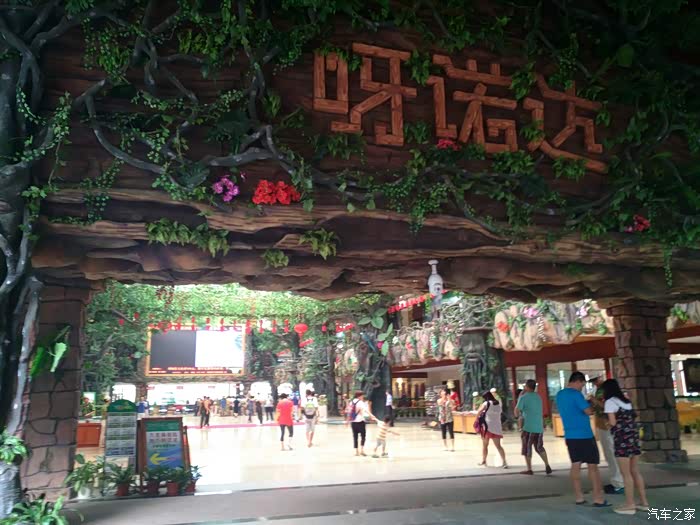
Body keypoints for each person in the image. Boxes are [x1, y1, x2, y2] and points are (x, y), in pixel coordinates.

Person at [556, 371, 609, 507]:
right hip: (584, 435)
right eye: (582, 385)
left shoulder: (560, 394)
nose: (582, 388)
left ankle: (579, 497)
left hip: (570, 435)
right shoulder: (576, 394)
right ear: (577, 381)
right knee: (593, 467)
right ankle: (598, 498)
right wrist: (592, 403)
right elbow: (588, 411)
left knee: (575, 465)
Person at [602, 379, 649, 515]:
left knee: (626, 474)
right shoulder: (626, 401)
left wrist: (607, 425)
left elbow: (612, 422)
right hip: (633, 438)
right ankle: (644, 502)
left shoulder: (610, 402)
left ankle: (630, 505)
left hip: (622, 439)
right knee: (635, 471)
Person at [589, 375, 624, 495]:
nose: (595, 383)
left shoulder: (611, 398)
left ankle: (619, 483)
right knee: (609, 455)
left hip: (608, 427)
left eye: (596, 380)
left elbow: (608, 409)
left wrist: (594, 401)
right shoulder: (617, 397)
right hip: (603, 426)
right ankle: (616, 480)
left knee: (612, 454)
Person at [514, 379, 552, 475]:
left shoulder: (523, 397)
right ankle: (547, 464)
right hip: (539, 427)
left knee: (527, 448)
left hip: (528, 427)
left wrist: (519, 398)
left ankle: (529, 469)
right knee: (539, 447)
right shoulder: (538, 397)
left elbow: (516, 411)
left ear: (526, 386)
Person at [476, 390, 508, 468]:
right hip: (497, 427)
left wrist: (477, 418)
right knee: (498, 446)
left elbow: (479, 411)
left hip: (487, 427)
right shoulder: (498, 403)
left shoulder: (486, 403)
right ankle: (504, 462)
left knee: (485, 445)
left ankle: (484, 460)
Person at [345, 391, 377, 456]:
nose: (363, 397)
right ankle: (362, 450)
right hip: (360, 422)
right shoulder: (360, 402)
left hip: (353, 422)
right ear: (359, 396)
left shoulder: (351, 402)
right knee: (363, 436)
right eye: (362, 396)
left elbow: (349, 412)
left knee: (355, 437)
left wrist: (347, 421)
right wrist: (372, 416)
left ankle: (356, 451)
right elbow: (366, 410)